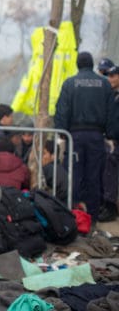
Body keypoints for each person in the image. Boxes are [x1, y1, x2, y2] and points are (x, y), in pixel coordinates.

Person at [54, 51, 113, 223]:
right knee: (94, 177)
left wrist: (61, 133)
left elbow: (62, 110)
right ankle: (92, 218)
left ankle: (74, 217)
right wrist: (108, 134)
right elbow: (111, 112)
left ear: (77, 64)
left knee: (73, 175)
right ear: (92, 64)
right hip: (96, 136)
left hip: (75, 137)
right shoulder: (104, 84)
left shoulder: (70, 83)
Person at [100, 66, 119, 221]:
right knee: (109, 172)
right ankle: (110, 206)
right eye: (109, 76)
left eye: (113, 76)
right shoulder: (111, 95)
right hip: (114, 140)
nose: (110, 79)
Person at [41, 140, 69, 205]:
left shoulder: (48, 168)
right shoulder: (61, 168)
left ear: (53, 156)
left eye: (44, 154)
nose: (41, 157)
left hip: (55, 206)